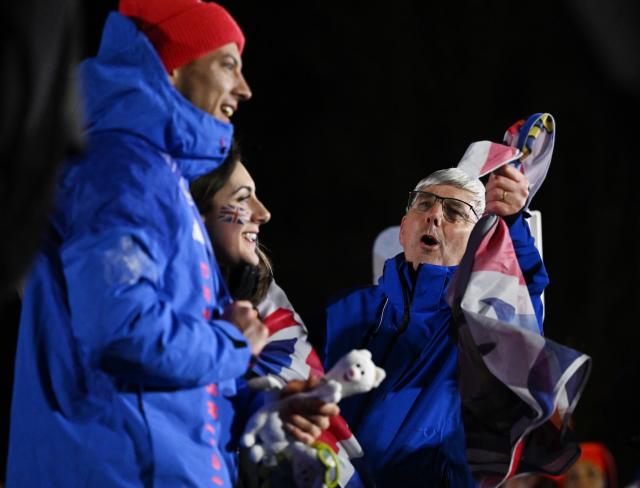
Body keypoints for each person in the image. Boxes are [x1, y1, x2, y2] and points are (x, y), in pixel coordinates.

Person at [7, 1, 333, 486]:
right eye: (227, 64)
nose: (244, 89)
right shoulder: (123, 170)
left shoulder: (156, 174)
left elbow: (165, 381)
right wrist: (233, 342)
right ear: (174, 67)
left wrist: (260, 407)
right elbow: (122, 328)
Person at [322, 164, 549, 487]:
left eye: (456, 212)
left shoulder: (481, 319)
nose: (435, 216)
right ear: (403, 229)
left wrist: (512, 222)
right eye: (424, 204)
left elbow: (522, 290)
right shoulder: (343, 310)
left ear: (479, 245)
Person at [191, 145, 363, 487]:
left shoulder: (262, 294)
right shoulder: (172, 297)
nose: (263, 213)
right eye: (243, 198)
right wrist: (233, 343)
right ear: (196, 211)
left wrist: (276, 406)